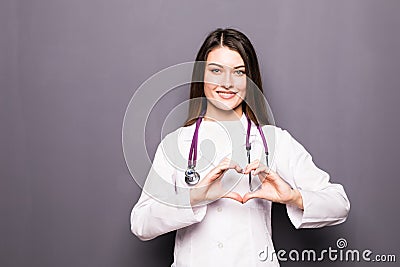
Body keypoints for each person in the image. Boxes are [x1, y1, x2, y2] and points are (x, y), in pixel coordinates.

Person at [130, 28, 350, 267]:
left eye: (239, 72)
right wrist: (193, 197)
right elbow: (141, 223)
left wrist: (293, 197)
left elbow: (339, 203)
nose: (227, 83)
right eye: (216, 71)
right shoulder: (176, 144)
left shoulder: (273, 141)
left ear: (250, 80)